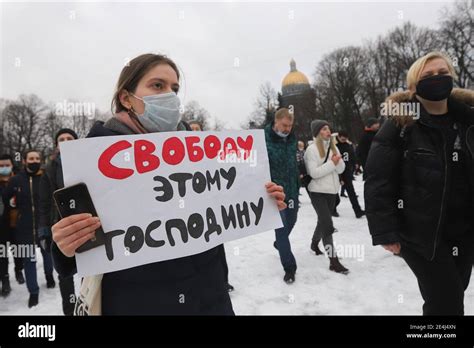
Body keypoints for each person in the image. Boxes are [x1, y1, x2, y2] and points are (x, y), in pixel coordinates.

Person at [50, 53, 286, 315]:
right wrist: (64, 246)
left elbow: (219, 212)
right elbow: (73, 256)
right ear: (126, 98)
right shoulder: (92, 159)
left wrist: (261, 198)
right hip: (137, 303)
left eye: (175, 88)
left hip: (209, 296)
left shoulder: (199, 153)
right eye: (157, 85)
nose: (170, 96)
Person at [365, 52, 474, 315]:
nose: (437, 79)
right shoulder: (401, 124)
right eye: (428, 76)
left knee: (454, 291)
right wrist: (384, 230)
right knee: (446, 303)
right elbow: (378, 179)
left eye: (442, 73)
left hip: (464, 230)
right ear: (414, 86)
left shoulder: (468, 120)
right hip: (421, 234)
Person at [3, 150, 55, 308]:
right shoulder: (16, 180)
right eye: (31, 158)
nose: (35, 161)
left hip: (43, 226)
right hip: (24, 228)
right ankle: (33, 292)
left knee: (48, 255)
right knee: (28, 261)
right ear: (24, 161)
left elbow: (52, 199)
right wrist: (13, 204)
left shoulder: (46, 178)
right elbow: (6, 199)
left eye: (37, 158)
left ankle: (49, 276)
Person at [188, 120, 235, 293]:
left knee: (218, 251)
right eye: (190, 129)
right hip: (190, 216)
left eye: (197, 129)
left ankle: (224, 281)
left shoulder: (210, 155)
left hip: (211, 212)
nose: (194, 131)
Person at [38, 129, 78, 315]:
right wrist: (44, 231)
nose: (65, 141)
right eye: (61, 139)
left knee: (93, 270)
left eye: (69, 138)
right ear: (56, 145)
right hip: (61, 225)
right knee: (65, 273)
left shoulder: (86, 161)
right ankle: (69, 310)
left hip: (86, 221)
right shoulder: (49, 169)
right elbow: (44, 203)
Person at [305, 120, 349, 274]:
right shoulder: (311, 150)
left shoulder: (333, 147)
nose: (328, 131)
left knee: (322, 221)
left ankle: (313, 244)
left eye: (329, 128)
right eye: (324, 129)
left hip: (332, 192)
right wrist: (332, 163)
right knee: (327, 224)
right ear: (318, 132)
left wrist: (336, 160)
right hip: (317, 192)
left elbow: (341, 169)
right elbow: (314, 173)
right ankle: (333, 261)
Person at [265, 107, 300, 284]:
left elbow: (294, 162)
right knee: (281, 229)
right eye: (285, 125)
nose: (288, 129)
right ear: (276, 122)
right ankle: (289, 267)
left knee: (292, 221)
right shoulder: (264, 139)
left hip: (292, 190)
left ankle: (280, 244)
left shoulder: (292, 139)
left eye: (290, 125)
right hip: (275, 194)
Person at [0, 154, 25, 296]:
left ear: (11, 165)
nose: (4, 168)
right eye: (1, 166)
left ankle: (18, 270)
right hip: (1, 224)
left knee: (19, 250)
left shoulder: (18, 179)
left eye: (6, 165)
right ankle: (5, 279)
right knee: (2, 254)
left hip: (17, 222)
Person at [335, 131, 365, 218]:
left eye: (345, 137)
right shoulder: (335, 147)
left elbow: (352, 156)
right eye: (342, 137)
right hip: (337, 171)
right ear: (339, 137)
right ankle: (332, 209)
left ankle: (357, 211)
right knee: (333, 192)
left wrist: (356, 163)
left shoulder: (348, 146)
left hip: (347, 171)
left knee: (351, 192)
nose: (344, 138)